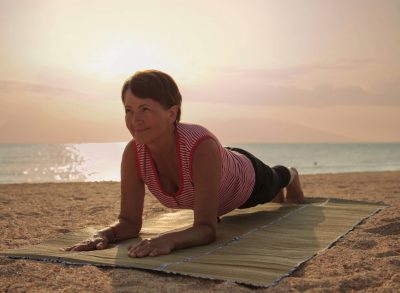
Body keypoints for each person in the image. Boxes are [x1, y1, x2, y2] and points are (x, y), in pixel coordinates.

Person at [65, 69, 304, 258]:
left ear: (171, 113)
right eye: (128, 109)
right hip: (217, 165)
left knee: (275, 179)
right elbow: (129, 222)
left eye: (144, 109)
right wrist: (106, 233)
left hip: (247, 178)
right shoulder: (133, 153)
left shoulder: (201, 146)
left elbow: (206, 229)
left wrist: (169, 240)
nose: (134, 119)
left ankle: (291, 174)